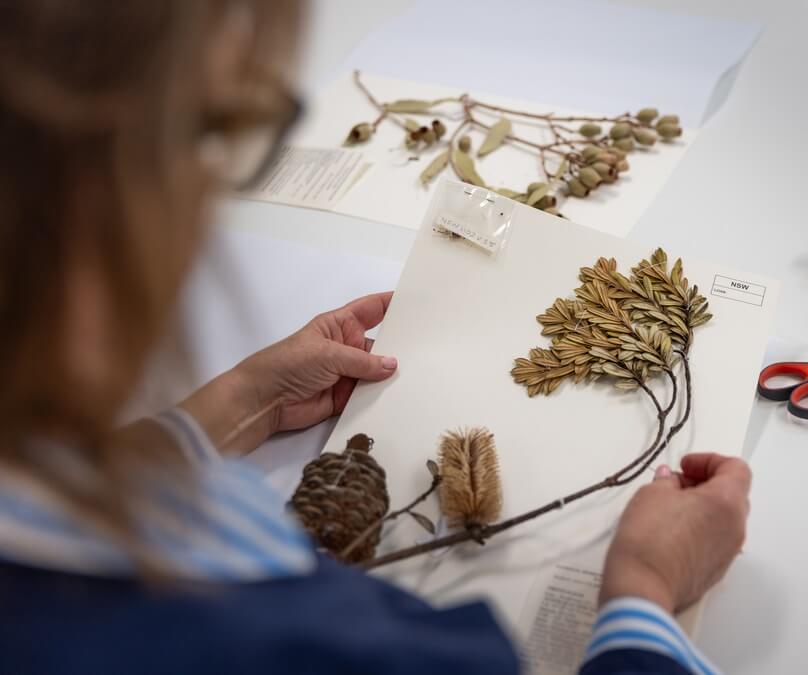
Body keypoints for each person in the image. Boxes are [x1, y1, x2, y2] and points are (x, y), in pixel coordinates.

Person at [0, 2, 752, 674]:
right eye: (216, 132)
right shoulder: (351, 646)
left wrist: (232, 405)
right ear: (98, 197)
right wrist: (645, 598)